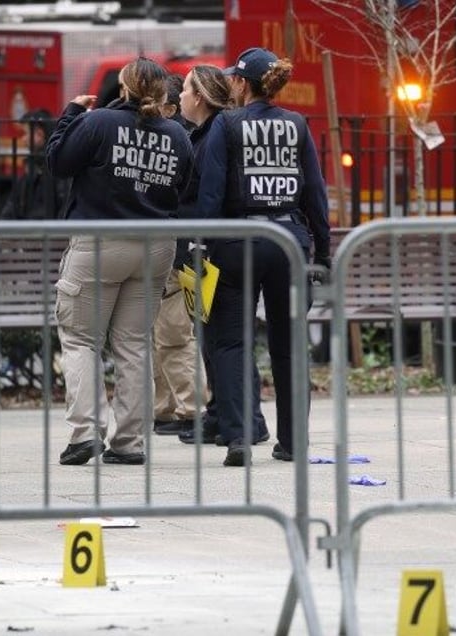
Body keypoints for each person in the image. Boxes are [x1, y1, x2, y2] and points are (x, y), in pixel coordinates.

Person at [46, 57, 194, 466]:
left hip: (100, 242)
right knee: (133, 345)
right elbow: (183, 186)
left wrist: (73, 112)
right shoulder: (177, 135)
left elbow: (58, 163)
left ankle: (83, 434)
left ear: (124, 88)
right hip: (156, 247)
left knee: (81, 339)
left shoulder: (98, 124)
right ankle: (129, 442)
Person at [196, 47, 331, 467]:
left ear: (240, 83)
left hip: (239, 241)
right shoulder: (297, 125)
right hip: (289, 242)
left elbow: (212, 191)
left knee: (232, 342)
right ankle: (293, 442)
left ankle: (238, 438)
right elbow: (315, 193)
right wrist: (322, 251)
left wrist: (203, 245)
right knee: (289, 347)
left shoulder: (226, 122)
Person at [171, 64, 270, 448]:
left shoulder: (217, 132)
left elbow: (207, 193)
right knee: (213, 336)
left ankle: (244, 419)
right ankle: (222, 413)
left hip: (210, 247)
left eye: (184, 89)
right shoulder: (203, 132)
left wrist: (200, 244)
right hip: (205, 244)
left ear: (199, 97)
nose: (178, 96)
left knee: (223, 337)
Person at [152, 73, 208, 437]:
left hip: (180, 252)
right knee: (163, 332)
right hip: (176, 250)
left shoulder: (178, 142)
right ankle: (168, 408)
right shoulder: (182, 139)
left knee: (175, 332)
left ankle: (191, 409)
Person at [0, 109, 69, 220]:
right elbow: (14, 204)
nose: (23, 138)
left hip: (48, 233)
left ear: (39, 134)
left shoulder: (54, 165)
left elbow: (63, 204)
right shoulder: (33, 164)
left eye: (26, 133)